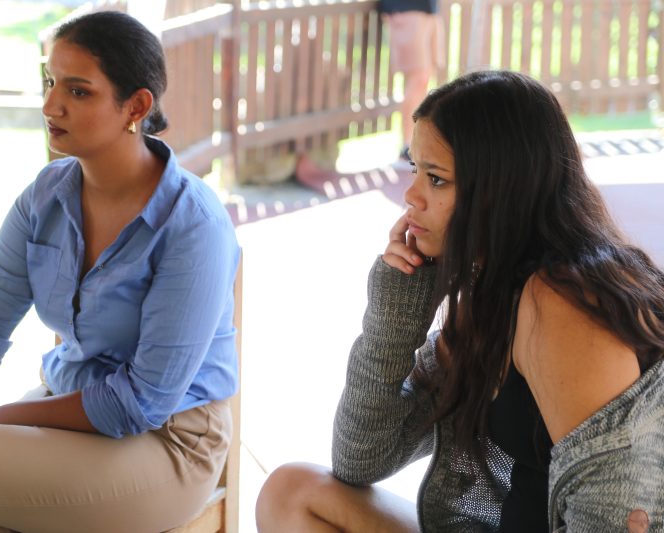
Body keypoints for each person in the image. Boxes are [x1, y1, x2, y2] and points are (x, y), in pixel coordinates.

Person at [0, 11, 239, 533]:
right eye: (50, 82)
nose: (50, 105)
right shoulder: (44, 198)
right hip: (69, 412)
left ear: (136, 106)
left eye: (78, 91)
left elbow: (139, 403)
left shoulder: (193, 224)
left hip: (170, 443)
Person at [256, 70, 664, 532]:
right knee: (292, 494)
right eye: (415, 169)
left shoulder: (565, 304)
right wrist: (399, 303)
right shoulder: (491, 292)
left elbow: (614, 519)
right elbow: (361, 457)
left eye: (436, 179)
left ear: (500, 189)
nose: (411, 196)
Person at [380, 0, 443, 163]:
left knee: (425, 78)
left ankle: (416, 140)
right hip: (406, 10)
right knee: (418, 77)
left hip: (428, 10)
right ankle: (407, 144)